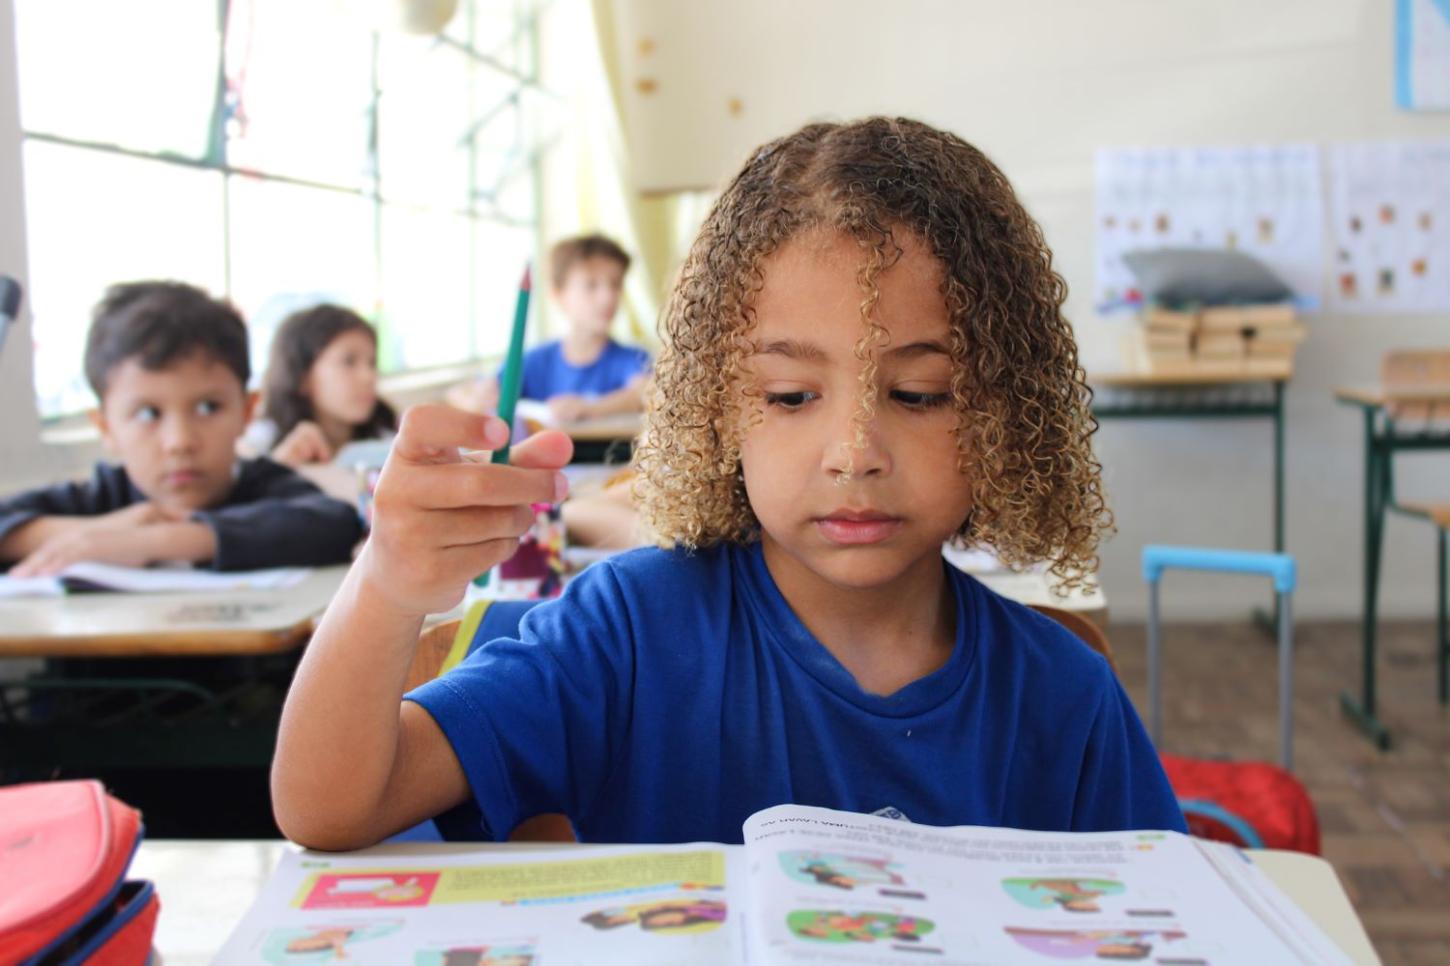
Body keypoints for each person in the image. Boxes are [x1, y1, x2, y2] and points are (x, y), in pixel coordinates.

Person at [272, 117, 1186, 851]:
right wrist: (387, 584)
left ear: (1005, 411)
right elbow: (329, 806)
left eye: (919, 394)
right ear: (716, 408)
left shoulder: (1064, 693)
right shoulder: (630, 631)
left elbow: (1165, 917)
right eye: (789, 396)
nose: (854, 452)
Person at [0, 282, 364, 575]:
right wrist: (97, 534)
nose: (180, 442)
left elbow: (334, 524)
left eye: (208, 408)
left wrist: (156, 540)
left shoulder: (266, 485)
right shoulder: (101, 498)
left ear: (246, 412)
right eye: (148, 414)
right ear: (105, 427)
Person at [446, 233, 650, 424]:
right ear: (557, 293)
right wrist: (476, 398)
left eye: (615, 284)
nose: (608, 297)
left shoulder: (632, 358)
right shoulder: (534, 361)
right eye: (591, 285)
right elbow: (460, 393)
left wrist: (589, 408)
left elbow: (645, 393)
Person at [248, 304, 397, 467]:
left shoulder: (391, 441)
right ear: (302, 377)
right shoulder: (259, 445)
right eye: (349, 361)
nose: (369, 376)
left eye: (372, 363)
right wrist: (278, 471)